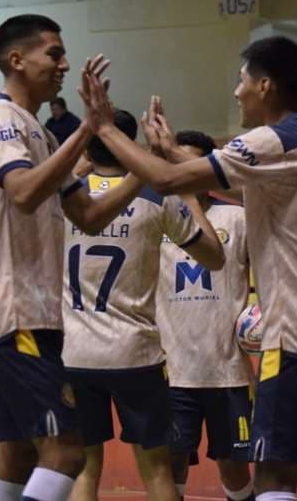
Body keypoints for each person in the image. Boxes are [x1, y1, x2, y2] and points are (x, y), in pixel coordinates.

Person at [78, 35, 297, 501]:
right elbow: (254, 186)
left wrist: (105, 129)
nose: (236, 92)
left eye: (241, 82)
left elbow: (166, 181)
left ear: (265, 86)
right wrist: (175, 151)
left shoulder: (270, 140)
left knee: (274, 481)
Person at [0, 14, 144, 501]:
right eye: (55, 54)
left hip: (23, 313)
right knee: (67, 451)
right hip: (13, 311)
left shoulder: (37, 133)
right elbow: (22, 192)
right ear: (17, 60)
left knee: (19, 453)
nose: (64, 65)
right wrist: (87, 129)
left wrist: (145, 172)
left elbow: (87, 214)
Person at [62, 110, 224, 501]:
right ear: (129, 145)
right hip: (135, 353)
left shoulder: (65, 197)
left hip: (73, 352)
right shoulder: (154, 197)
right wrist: (183, 188)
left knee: (84, 469)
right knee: (156, 471)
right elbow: (215, 257)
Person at [155, 130, 255, 501]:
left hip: (228, 370)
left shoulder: (237, 217)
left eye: (191, 164)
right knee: (172, 464)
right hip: (173, 369)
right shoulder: (159, 216)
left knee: (233, 467)